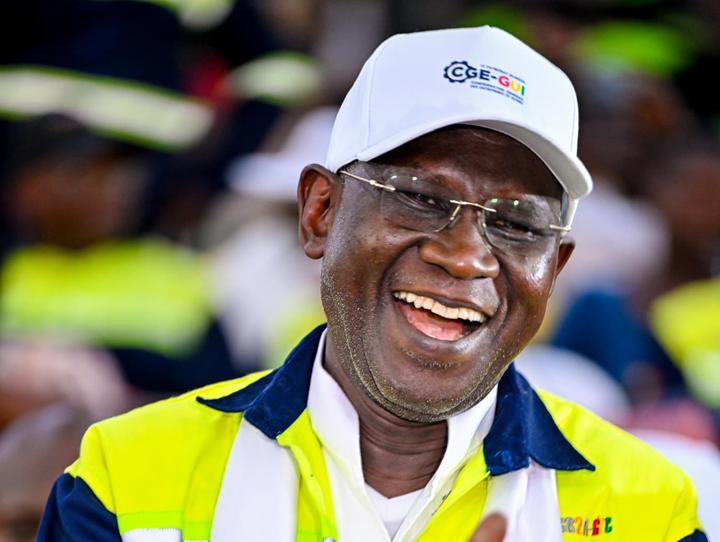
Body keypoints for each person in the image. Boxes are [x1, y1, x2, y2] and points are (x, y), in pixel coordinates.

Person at [37, 27, 707, 542]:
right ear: (320, 213)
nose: (466, 257)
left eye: (516, 223)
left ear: (553, 270)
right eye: (419, 197)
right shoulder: (125, 478)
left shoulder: (647, 508)